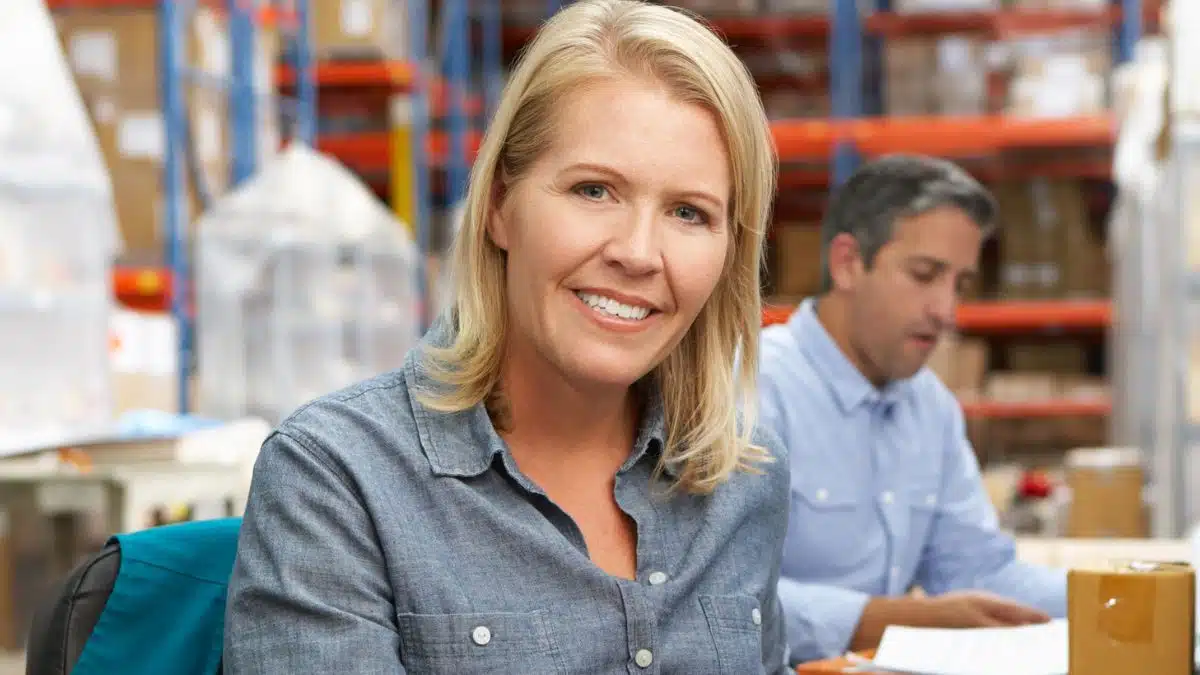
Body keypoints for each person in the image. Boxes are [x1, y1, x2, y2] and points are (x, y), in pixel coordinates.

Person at [224, 1, 792, 672]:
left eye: (689, 212)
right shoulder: (338, 478)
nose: (639, 253)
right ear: (498, 206)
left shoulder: (742, 477)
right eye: (594, 191)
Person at [758, 154, 1067, 664]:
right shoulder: (753, 392)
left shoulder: (931, 410)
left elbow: (979, 573)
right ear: (847, 263)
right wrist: (893, 619)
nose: (946, 311)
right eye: (925, 275)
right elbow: (715, 601)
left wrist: (1131, 593)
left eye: (960, 285)